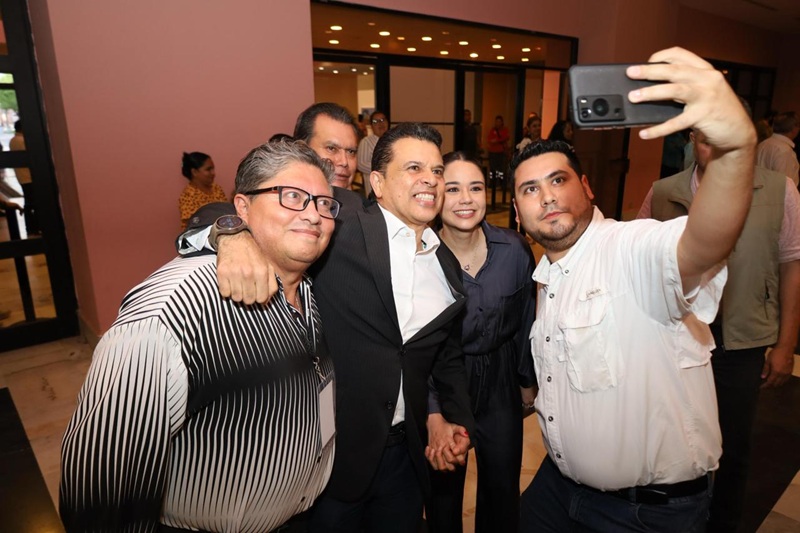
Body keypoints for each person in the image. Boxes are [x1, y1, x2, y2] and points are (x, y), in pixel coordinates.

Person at [177, 122, 474, 533]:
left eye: (437, 170)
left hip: (405, 458)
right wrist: (232, 234)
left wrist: (450, 417)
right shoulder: (339, 225)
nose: (430, 179)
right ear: (377, 183)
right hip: (330, 458)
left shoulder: (447, 269)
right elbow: (220, 209)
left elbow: (444, 357)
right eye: (413, 168)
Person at [512, 47, 757, 532]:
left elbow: (702, 243)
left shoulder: (630, 248)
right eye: (530, 189)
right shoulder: (546, 279)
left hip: (644, 511)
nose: (548, 196)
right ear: (518, 214)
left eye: (558, 180)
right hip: (560, 488)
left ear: (587, 187)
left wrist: (734, 151)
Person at [60, 140, 339, 532]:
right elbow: (102, 487)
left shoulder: (306, 290)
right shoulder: (172, 310)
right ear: (242, 208)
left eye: (324, 204)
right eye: (292, 196)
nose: (313, 215)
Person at [637, 127, 800, 532]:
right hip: (676, 338)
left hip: (741, 339)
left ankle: (722, 524)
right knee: (670, 440)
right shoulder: (664, 192)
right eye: (708, 138)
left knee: (732, 446)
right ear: (693, 139)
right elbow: (635, 258)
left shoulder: (780, 191)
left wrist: (786, 344)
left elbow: (792, 267)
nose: (719, 147)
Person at [424, 151, 536, 533]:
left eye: (475, 188)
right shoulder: (420, 259)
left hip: (501, 379)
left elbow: (525, 319)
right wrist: (432, 410)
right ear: (436, 196)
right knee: (443, 495)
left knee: (502, 491)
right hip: (444, 382)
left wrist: (526, 383)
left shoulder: (514, 250)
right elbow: (414, 348)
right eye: (453, 189)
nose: (466, 199)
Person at [294, 102, 359, 191]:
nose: (344, 162)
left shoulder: (359, 200)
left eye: (351, 152)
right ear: (302, 150)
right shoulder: (278, 198)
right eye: (331, 148)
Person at [178, 151, 228, 231]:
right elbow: (193, 226)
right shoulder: (188, 196)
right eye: (208, 169)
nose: (213, 173)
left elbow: (226, 211)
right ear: (194, 172)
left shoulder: (216, 188)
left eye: (213, 169)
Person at [9, 120, 39, 235]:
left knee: (29, 202)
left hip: (22, 176)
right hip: (28, 176)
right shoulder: (22, 141)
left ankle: (31, 228)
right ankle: (33, 227)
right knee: (32, 203)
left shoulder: (13, 140)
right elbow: (32, 157)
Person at [756, 111, 800, 186]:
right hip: (775, 192)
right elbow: (784, 184)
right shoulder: (784, 151)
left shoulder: (763, 144)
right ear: (794, 129)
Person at [357, 110, 390, 196]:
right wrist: (385, 168)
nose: (380, 123)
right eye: (376, 121)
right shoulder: (366, 142)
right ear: (371, 126)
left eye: (383, 120)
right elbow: (361, 164)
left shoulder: (393, 141)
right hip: (374, 190)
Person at [487, 115, 510, 179]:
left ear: (502, 122)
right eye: (496, 121)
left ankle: (500, 181)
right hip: (492, 152)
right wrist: (498, 140)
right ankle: (492, 181)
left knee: (501, 169)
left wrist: (496, 140)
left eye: (499, 121)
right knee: (492, 169)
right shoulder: (492, 130)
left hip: (501, 152)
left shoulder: (505, 130)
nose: (498, 123)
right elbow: (489, 140)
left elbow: (506, 137)